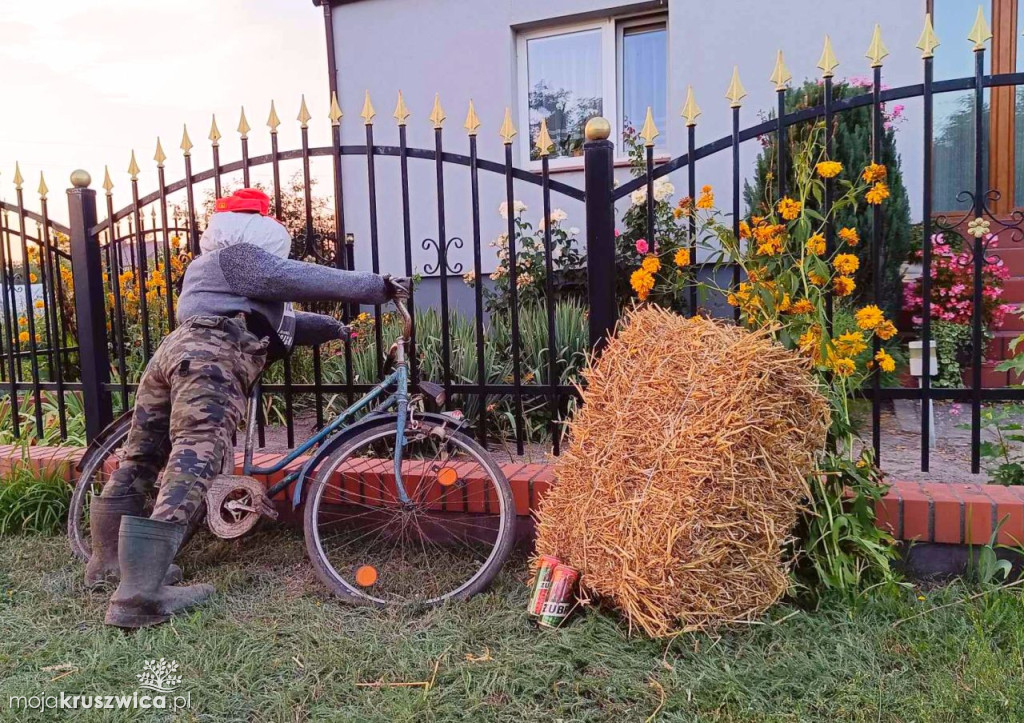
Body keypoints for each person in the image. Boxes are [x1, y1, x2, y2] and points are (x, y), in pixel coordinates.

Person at [86, 188, 408, 628]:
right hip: (211, 357)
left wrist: (336, 329)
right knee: (193, 459)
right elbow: (285, 277)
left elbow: (285, 325)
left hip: (175, 352)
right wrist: (375, 286)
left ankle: (110, 564)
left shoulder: (218, 274)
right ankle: (140, 594)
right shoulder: (239, 257)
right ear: (255, 229)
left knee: (142, 455)